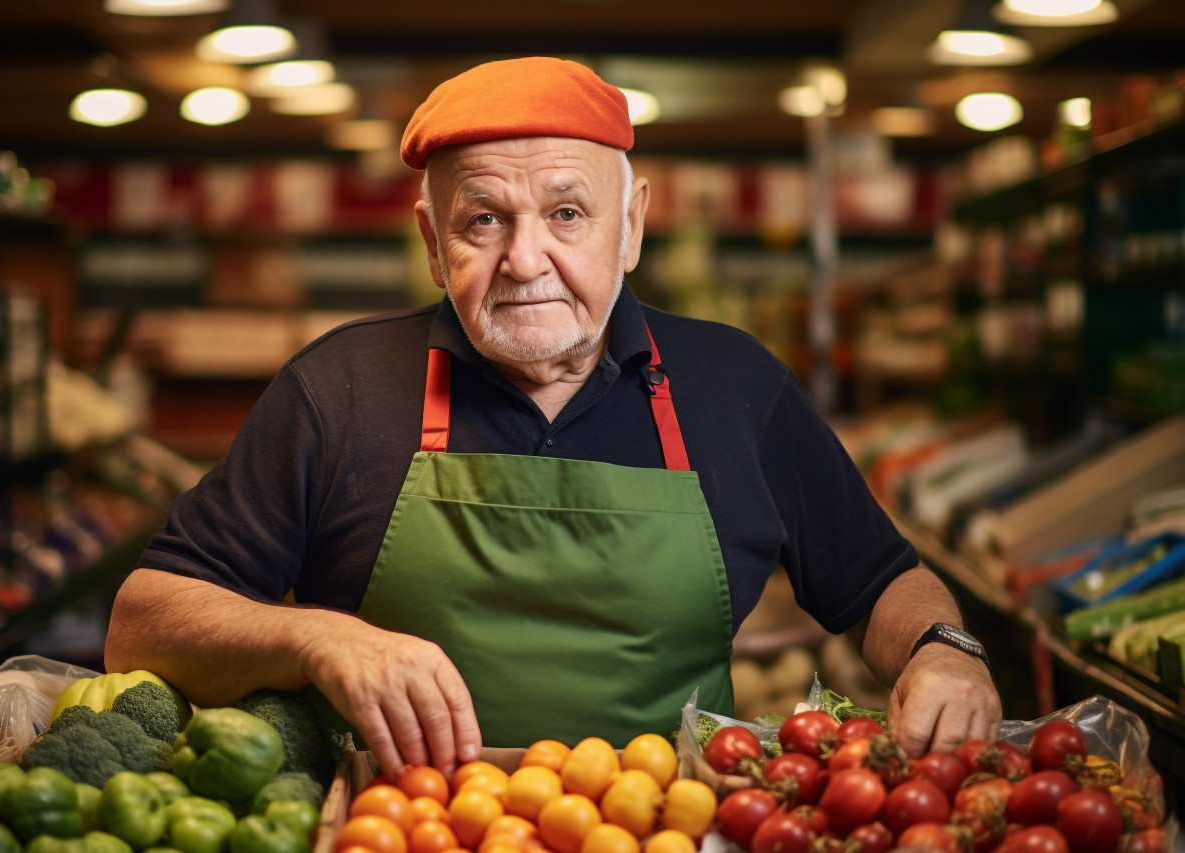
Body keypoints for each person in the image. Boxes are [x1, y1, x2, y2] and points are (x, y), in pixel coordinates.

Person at [105, 56, 1001, 782]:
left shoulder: (736, 386)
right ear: (430, 241)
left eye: (567, 213)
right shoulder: (336, 389)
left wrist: (945, 646)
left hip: (670, 832)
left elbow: (882, 580)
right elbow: (141, 622)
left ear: (633, 224)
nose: (524, 259)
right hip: (407, 834)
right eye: (483, 219)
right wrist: (312, 635)